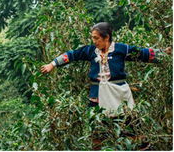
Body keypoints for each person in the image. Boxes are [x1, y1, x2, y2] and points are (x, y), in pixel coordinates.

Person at [41, 22, 171, 115]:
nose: (94, 41)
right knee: (98, 130)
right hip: (97, 94)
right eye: (92, 38)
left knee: (127, 125)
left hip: (118, 93)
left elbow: (142, 53)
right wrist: (52, 64)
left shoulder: (121, 49)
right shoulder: (90, 51)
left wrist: (164, 53)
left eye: (96, 38)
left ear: (106, 37)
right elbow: (71, 55)